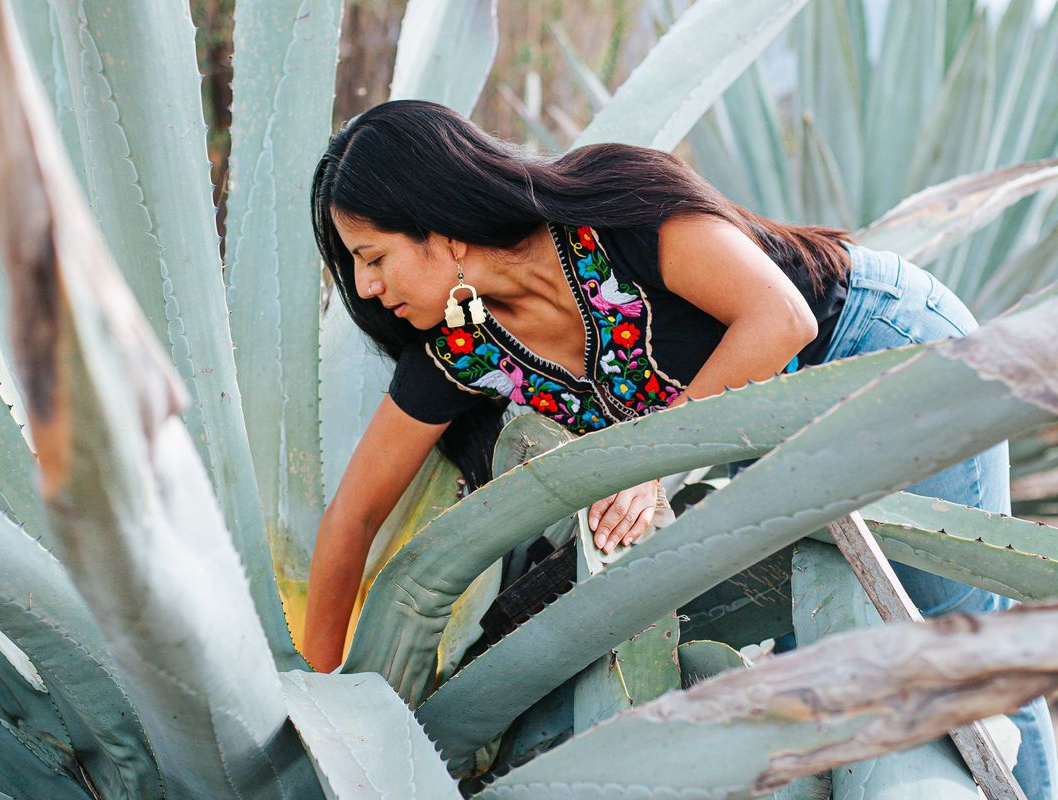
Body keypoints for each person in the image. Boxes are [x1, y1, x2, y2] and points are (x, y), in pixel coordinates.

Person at [304, 99, 1056, 798]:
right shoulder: (458, 353)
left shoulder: (613, 207)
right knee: (824, 667)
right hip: (773, 450)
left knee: (960, 642)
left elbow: (780, 319)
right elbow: (353, 520)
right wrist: (320, 704)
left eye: (374, 257)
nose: (367, 289)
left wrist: (652, 466)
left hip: (881, 356)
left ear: (440, 228)